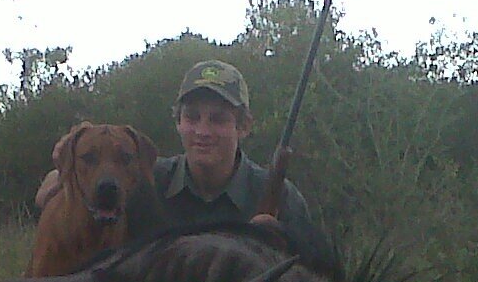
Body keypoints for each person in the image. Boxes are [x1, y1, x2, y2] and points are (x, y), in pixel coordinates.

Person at [36, 60, 321, 251]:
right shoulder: (146, 180)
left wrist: (280, 240)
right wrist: (62, 170)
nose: (202, 131)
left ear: (244, 126)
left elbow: (322, 277)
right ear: (178, 123)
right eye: (192, 117)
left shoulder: (282, 197)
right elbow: (58, 192)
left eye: (218, 119)